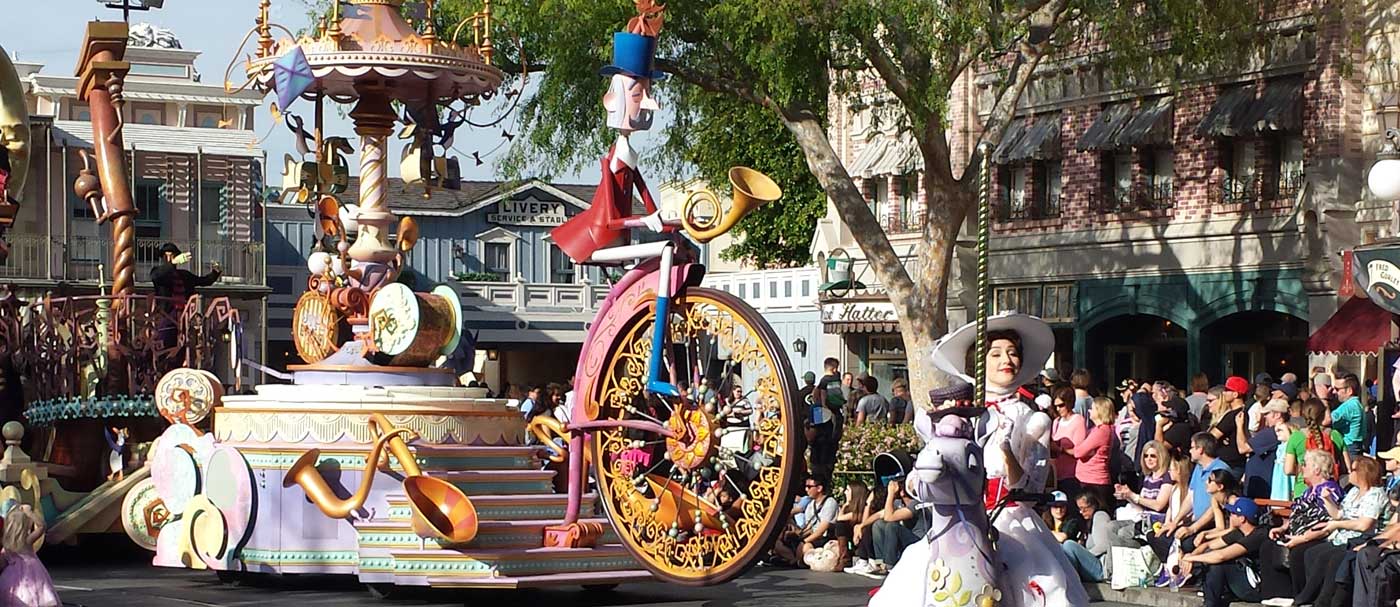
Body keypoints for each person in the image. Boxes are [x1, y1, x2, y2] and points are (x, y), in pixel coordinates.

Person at [926, 312, 1088, 607]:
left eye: (1013, 353)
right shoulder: (960, 415)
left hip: (1011, 519)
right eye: (996, 353)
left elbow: (1031, 490)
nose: (1007, 360)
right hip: (962, 517)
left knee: (1040, 585)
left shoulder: (1032, 418)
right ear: (978, 362)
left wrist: (1007, 451)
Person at [1266, 456, 1387, 607]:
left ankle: (1318, 600)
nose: (1349, 473)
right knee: (1312, 553)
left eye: (1353, 470)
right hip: (1342, 536)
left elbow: (1364, 525)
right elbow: (1338, 514)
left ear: (1362, 473)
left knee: (1330, 557)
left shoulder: (1375, 494)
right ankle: (1307, 596)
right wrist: (1328, 500)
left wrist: (1335, 525)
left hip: (1361, 538)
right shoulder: (1354, 492)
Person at [1178, 498, 1268, 607]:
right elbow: (1208, 545)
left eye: (1233, 513)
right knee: (1208, 559)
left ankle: (1210, 604)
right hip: (1243, 580)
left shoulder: (1258, 535)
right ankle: (1211, 600)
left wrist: (1189, 559)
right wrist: (1192, 555)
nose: (1229, 516)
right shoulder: (1239, 533)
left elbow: (1221, 556)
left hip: (1256, 588)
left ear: (1242, 518)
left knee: (1219, 564)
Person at [861, 478, 930, 577]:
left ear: (902, 491)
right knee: (878, 524)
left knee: (892, 526)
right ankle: (880, 564)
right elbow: (880, 515)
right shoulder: (899, 503)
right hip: (907, 542)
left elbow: (889, 517)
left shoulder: (916, 504)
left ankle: (889, 565)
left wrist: (891, 494)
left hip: (919, 541)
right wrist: (861, 526)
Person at [0, 505, 60, 607]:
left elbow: (2, 564)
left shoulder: (6, 545)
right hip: (32, 573)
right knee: (35, 595)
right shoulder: (26, 541)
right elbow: (42, 526)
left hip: (11, 577)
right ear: (25, 526)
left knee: (16, 597)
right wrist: (30, 512)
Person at [773, 474, 838, 567]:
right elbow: (809, 527)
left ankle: (795, 560)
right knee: (778, 543)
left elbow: (820, 531)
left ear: (819, 488)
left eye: (809, 487)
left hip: (823, 538)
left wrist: (803, 541)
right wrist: (796, 532)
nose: (806, 490)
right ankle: (794, 560)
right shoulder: (811, 504)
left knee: (806, 547)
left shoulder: (830, 503)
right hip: (811, 535)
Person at [1284, 399, 1345, 497]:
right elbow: (1346, 466)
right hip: (1329, 491)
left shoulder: (1296, 437)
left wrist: (1302, 468)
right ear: (1323, 415)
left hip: (1303, 491)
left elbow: (1288, 470)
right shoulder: (1335, 435)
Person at [1116, 439, 1174, 524]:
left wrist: (1133, 496)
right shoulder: (1147, 477)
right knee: (1111, 526)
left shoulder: (1167, 477)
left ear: (1161, 457)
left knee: (1121, 532)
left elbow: (1159, 506)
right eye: (1146, 456)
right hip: (1143, 518)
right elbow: (1141, 508)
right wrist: (1127, 495)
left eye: (1153, 456)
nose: (1149, 459)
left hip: (1158, 521)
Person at [1072, 397, 1117, 509]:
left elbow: (1078, 452)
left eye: (1092, 408)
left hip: (1094, 481)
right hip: (1089, 479)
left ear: (1100, 411)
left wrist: (1080, 447)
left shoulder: (1102, 431)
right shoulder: (1098, 430)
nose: (1089, 411)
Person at [1241, 399, 1289, 498]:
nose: (1265, 416)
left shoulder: (1272, 432)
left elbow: (1243, 448)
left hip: (1262, 487)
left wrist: (1239, 426)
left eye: (1267, 413)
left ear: (1277, 415)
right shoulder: (1285, 430)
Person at [1060, 493, 1113, 583]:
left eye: (1084, 508)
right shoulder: (1087, 522)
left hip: (1101, 569)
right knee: (1061, 547)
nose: (1081, 512)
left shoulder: (1100, 516)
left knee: (1069, 545)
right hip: (1092, 566)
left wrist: (1084, 554)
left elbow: (1103, 545)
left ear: (1094, 505)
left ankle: (1071, 581)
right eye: (1079, 508)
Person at [1049, 384, 1087, 498]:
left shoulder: (1078, 420)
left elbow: (1079, 451)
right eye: (1055, 406)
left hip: (1071, 475)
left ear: (1069, 403)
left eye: (1061, 405)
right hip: (1056, 475)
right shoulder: (1056, 421)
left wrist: (1061, 449)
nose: (1058, 409)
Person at [1210, 375, 1250, 478]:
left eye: (1227, 390)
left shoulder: (1233, 415)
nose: (1224, 393)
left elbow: (1212, 436)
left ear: (1235, 394)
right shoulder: (1244, 412)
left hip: (1229, 464)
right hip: (1236, 463)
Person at [1332, 375, 1366, 460]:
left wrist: (1324, 400)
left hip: (1349, 448)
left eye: (1337, 389)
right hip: (1356, 446)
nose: (1334, 392)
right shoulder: (1356, 404)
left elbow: (1328, 420)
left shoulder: (1349, 406)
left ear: (1349, 390)